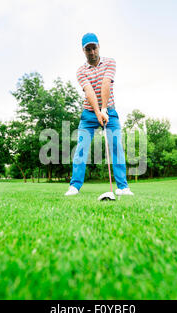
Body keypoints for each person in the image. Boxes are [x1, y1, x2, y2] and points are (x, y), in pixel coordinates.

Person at [65, 33, 134, 197]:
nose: (92, 52)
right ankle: (74, 186)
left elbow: (105, 83)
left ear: (98, 47)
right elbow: (89, 91)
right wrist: (97, 112)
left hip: (109, 109)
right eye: (88, 49)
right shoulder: (81, 71)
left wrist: (104, 110)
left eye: (94, 48)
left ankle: (123, 187)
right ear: (83, 50)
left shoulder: (110, 62)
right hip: (88, 113)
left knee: (116, 145)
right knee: (81, 148)